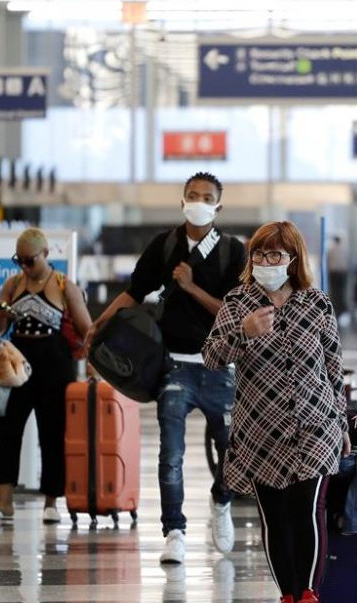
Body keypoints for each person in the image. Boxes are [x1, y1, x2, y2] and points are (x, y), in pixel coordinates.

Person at [84, 172, 247, 563]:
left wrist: (190, 288)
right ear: (182, 201)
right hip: (174, 366)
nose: (199, 201)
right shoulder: (165, 245)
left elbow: (233, 311)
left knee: (232, 451)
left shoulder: (232, 253)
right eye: (192, 195)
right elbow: (133, 292)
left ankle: (221, 501)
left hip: (219, 365)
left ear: (218, 207)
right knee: (170, 452)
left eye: (207, 197)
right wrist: (98, 325)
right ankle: (174, 529)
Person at [202, 221, 350, 603]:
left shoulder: (317, 303)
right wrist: (243, 333)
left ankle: (309, 594)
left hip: (316, 425)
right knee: (276, 517)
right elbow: (212, 357)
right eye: (259, 253)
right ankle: (288, 594)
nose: (266, 261)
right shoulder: (238, 303)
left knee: (308, 511)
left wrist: (341, 421)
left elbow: (334, 368)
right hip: (261, 430)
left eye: (275, 254)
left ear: (293, 259)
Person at [0, 228, 91, 524]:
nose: (24, 266)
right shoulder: (12, 283)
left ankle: (51, 501)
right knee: (6, 428)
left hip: (54, 363)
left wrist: (94, 365)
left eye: (30, 260)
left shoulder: (64, 286)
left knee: (53, 431)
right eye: (19, 260)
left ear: (45, 254)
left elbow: (86, 329)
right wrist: (3, 312)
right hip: (18, 362)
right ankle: (4, 500)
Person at [325, 235, 350, 320]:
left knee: (334, 290)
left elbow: (328, 261)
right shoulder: (344, 251)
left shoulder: (331, 250)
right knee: (341, 291)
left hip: (333, 273)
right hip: (342, 273)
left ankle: (334, 307)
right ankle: (341, 308)